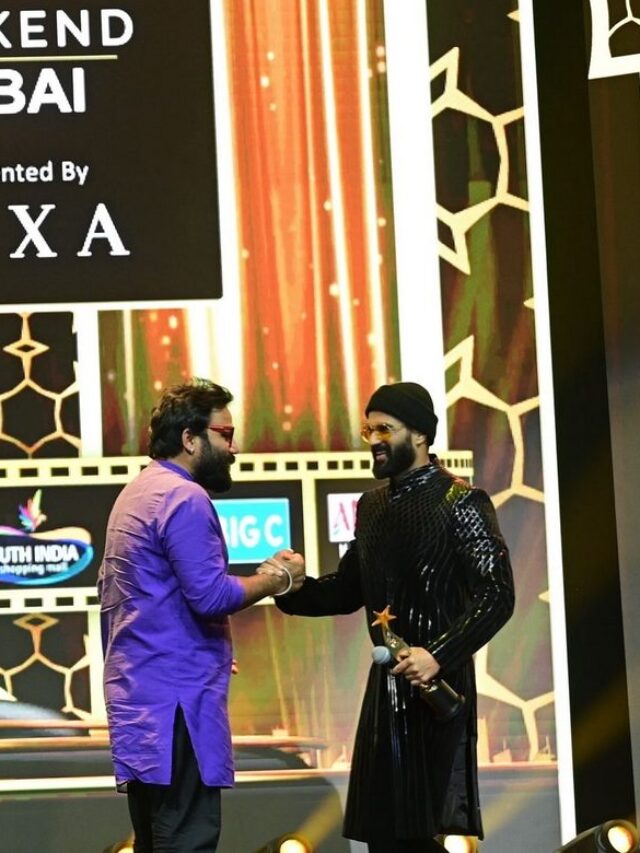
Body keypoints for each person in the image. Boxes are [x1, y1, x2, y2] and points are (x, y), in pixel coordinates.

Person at [276, 381, 515, 853]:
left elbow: (497, 595)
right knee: (384, 836)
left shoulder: (461, 502)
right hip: (385, 694)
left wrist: (438, 656)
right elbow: (346, 591)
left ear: (421, 435)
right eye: (368, 430)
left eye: (385, 428)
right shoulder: (372, 506)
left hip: (436, 694)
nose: (374, 439)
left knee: (421, 835)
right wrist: (288, 586)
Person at [98, 378, 304, 853]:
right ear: (191, 439)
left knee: (157, 839)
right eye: (225, 435)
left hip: (145, 703)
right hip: (177, 709)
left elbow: (143, 604)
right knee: (186, 841)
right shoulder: (184, 497)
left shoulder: (137, 492)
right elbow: (210, 596)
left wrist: (203, 651)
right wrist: (278, 579)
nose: (234, 448)